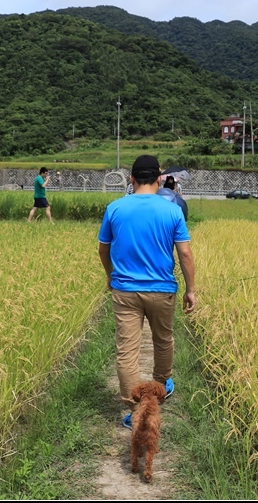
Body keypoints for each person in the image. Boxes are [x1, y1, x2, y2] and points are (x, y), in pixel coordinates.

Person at [98, 155, 196, 431]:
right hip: (162, 289)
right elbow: (185, 253)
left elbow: (103, 249)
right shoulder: (172, 210)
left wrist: (110, 275)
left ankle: (136, 412)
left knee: (127, 351)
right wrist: (191, 290)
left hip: (125, 290)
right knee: (163, 340)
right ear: (158, 179)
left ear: (131, 179)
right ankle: (160, 389)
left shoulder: (115, 208)